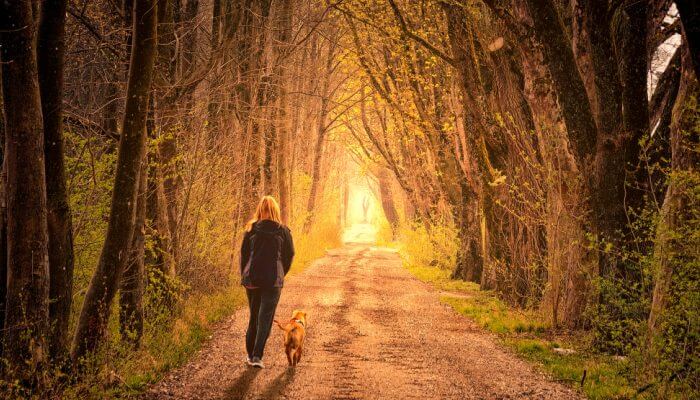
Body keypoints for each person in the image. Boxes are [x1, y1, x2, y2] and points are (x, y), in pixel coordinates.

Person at [240, 195, 295, 368]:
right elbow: (290, 255)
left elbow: (244, 255)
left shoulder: (251, 229)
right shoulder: (283, 231)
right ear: (276, 210)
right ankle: (257, 356)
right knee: (265, 319)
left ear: (259, 210)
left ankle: (250, 355)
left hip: (252, 279)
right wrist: (281, 272)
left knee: (254, 317)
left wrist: (245, 274)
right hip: (273, 281)